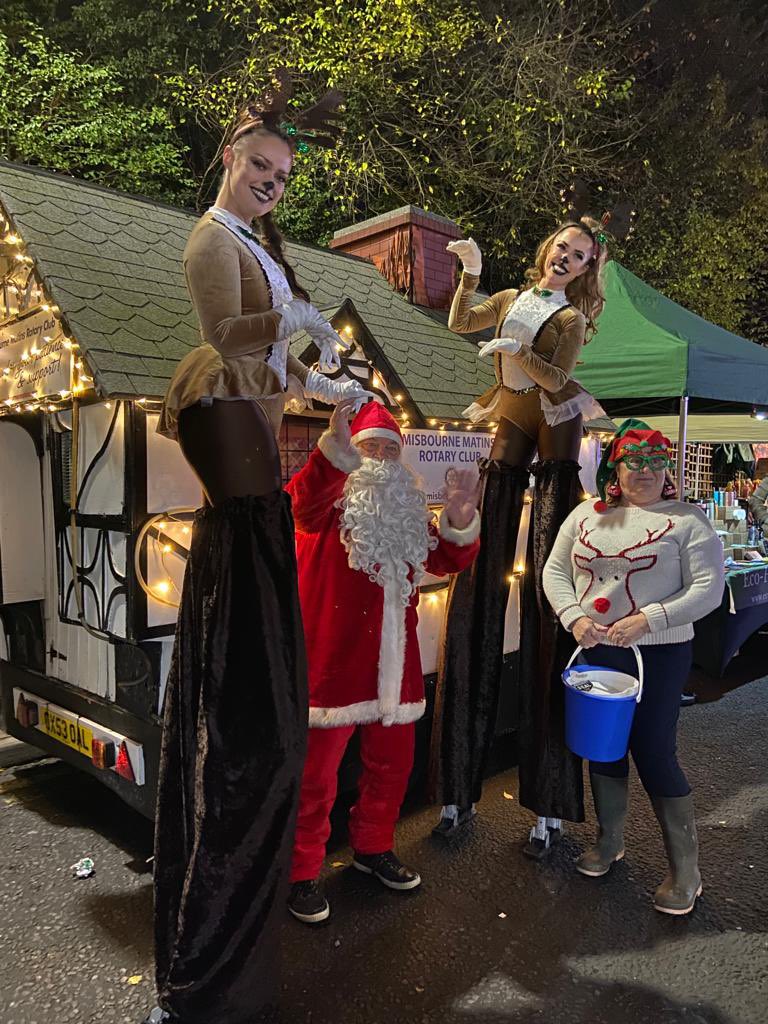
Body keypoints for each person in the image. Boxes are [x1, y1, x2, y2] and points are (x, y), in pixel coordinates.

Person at [144, 78, 371, 1024]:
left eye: (284, 174)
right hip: (227, 432)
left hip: (253, 443)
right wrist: (298, 326)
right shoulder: (211, 238)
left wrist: (329, 377)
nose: (273, 182)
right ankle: (212, 946)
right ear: (232, 159)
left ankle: (234, 930)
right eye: (261, 166)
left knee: (264, 704)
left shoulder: (260, 246)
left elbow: (279, 362)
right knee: (252, 712)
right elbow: (226, 337)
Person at [431, 217, 607, 855]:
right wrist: (472, 270)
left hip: (554, 422)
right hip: (509, 415)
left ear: (587, 270)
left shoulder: (571, 320)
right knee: (479, 585)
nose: (566, 256)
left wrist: (512, 354)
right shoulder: (512, 299)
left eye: (580, 255)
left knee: (546, 596)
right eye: (563, 245)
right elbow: (460, 322)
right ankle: (455, 791)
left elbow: (557, 381)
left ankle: (548, 811)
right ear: (548, 249)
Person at [285, 399, 480, 924]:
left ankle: (372, 847)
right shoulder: (322, 510)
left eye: (387, 450)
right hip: (332, 670)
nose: (377, 458)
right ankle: (301, 871)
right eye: (367, 448)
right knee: (315, 779)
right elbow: (302, 499)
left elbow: (446, 557)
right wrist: (333, 454)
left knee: (392, 768)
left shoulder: (407, 515)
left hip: (396, 671)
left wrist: (460, 516)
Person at [542, 420, 724, 915]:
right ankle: (610, 840)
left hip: (659, 652)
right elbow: (555, 570)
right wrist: (573, 616)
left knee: (654, 750)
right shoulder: (586, 516)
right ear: (614, 467)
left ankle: (686, 870)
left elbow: (708, 588)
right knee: (602, 746)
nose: (644, 471)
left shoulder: (688, 521)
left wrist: (651, 619)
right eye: (633, 461)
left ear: (667, 468)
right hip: (596, 647)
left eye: (655, 462)